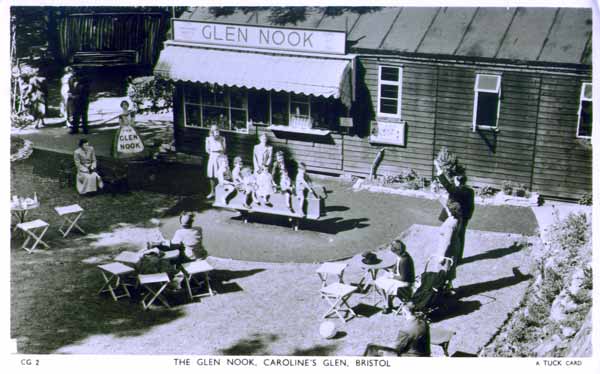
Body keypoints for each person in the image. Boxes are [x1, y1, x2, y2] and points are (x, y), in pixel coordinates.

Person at [433, 160, 475, 285]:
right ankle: (458, 258)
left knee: (449, 237)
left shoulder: (457, 191)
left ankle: (447, 258)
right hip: (465, 216)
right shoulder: (469, 190)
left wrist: (437, 167)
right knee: (461, 236)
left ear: (457, 180)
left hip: (455, 216)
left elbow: (446, 184)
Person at [364, 303, 430, 357]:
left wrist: (385, 346)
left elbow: (396, 348)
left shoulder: (405, 331)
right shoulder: (424, 323)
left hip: (410, 356)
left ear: (404, 313)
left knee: (371, 348)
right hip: (424, 354)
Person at [383, 240, 415, 314]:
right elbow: (396, 266)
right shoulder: (401, 256)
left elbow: (403, 278)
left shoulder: (404, 260)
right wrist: (391, 270)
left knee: (385, 284)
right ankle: (388, 303)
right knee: (383, 281)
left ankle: (388, 305)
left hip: (406, 283)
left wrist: (392, 276)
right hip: (400, 279)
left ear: (397, 251)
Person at [205, 125, 226, 199]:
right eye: (214, 130)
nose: (216, 131)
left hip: (220, 157)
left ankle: (221, 193)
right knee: (212, 175)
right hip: (212, 157)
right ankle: (212, 192)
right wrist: (213, 152)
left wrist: (218, 141)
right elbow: (207, 150)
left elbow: (224, 149)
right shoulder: (208, 139)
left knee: (221, 175)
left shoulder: (222, 138)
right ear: (211, 131)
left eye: (217, 129)